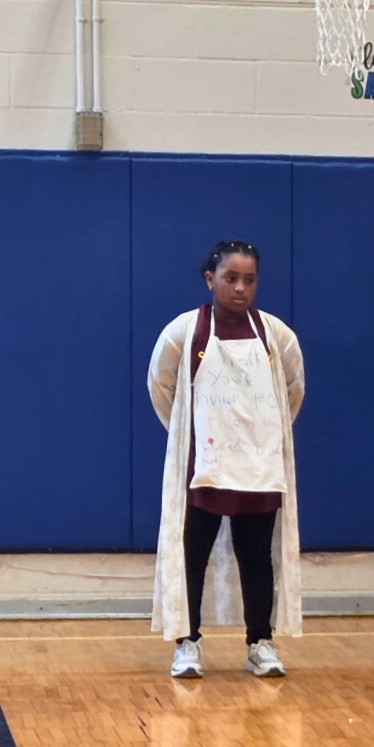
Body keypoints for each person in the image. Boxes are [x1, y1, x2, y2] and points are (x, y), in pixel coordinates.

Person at [148, 239, 306, 679]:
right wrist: (190, 436)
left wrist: (263, 437)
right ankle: (188, 642)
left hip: (259, 469)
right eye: (231, 278)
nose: (240, 288)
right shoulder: (185, 330)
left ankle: (260, 642)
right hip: (205, 469)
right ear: (209, 279)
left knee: (257, 557)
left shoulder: (275, 334)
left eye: (249, 280)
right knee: (192, 555)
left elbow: (292, 389)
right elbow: (162, 388)